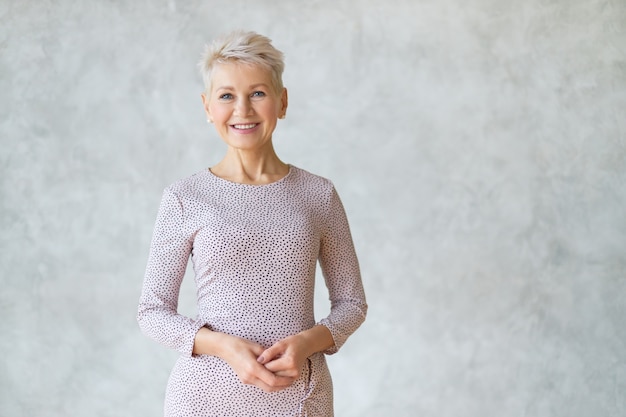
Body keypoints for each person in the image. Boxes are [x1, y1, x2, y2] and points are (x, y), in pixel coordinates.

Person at [137, 30, 367, 417]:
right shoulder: (185, 198)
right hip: (203, 399)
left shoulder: (318, 194)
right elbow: (152, 311)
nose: (242, 109)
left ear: (283, 101)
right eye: (227, 95)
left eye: (257, 93)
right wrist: (225, 347)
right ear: (208, 106)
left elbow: (352, 304)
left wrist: (307, 343)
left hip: (299, 399)